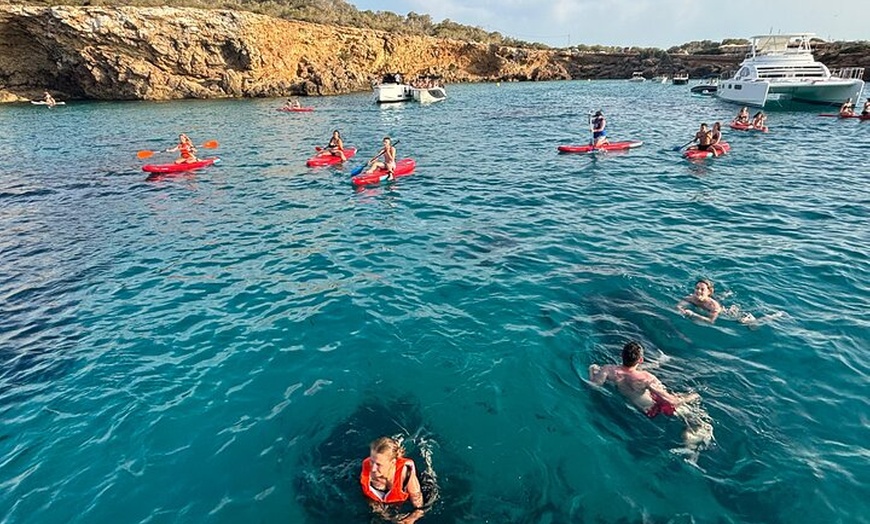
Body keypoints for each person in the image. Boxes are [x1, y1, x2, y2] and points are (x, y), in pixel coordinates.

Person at [588, 341, 712, 449]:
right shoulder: (646, 378)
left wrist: (592, 370)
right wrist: (692, 396)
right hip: (657, 406)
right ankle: (691, 441)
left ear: (622, 355)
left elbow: (594, 385)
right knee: (700, 423)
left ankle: (690, 438)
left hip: (642, 409)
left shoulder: (608, 370)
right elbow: (672, 401)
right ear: (640, 360)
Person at [361, 436, 425, 524]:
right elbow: (369, 496)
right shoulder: (367, 468)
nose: (373, 469)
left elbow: (418, 505)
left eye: (379, 464)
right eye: (372, 461)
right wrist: (380, 512)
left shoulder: (405, 475)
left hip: (402, 502)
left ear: (392, 462)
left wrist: (411, 519)